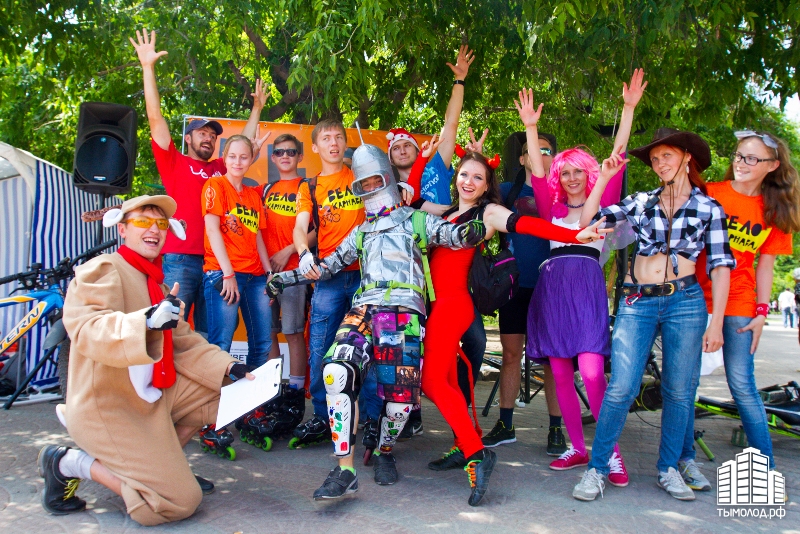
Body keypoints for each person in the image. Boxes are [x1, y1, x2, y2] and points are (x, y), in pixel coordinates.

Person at [267, 143, 486, 499]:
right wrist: (288, 278)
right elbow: (326, 267)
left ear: (388, 179)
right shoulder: (361, 232)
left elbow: (450, 234)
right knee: (335, 372)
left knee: (399, 403)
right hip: (365, 308)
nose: (370, 188)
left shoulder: (416, 219)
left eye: (375, 181)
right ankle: (344, 469)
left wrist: (469, 232)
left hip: (404, 313)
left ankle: (385, 451)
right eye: (363, 184)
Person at [40, 195, 254, 526]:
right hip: (110, 404)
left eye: (160, 223)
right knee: (178, 503)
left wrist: (231, 366)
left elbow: (183, 341)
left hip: (149, 395)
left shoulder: (157, 282)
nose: (153, 229)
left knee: (226, 391)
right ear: (122, 229)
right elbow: (88, 328)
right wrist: (145, 321)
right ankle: (68, 463)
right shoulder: (104, 269)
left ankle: (164, 470)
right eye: (143, 221)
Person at [411, 149, 611, 502]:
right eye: (464, 174)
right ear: (456, 178)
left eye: (478, 177)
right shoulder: (445, 211)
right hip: (435, 306)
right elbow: (409, 201)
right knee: (446, 380)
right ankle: (463, 443)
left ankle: (477, 453)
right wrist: (419, 162)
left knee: (431, 381)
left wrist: (573, 236)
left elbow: (528, 224)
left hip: (455, 306)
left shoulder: (487, 212)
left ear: (487, 184)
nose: (469, 181)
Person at [572, 128, 734, 502]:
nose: (660, 163)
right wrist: (604, 178)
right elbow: (587, 221)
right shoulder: (642, 201)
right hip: (639, 301)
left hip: (685, 301)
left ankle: (669, 468)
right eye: (655, 158)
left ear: (687, 157)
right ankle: (597, 469)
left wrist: (718, 323)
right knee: (622, 387)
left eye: (667, 155)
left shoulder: (709, 208)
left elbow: (721, 266)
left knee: (679, 390)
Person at [521, 72, 645, 481]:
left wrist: (628, 109)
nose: (571, 178)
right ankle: (576, 447)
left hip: (587, 288)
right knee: (560, 373)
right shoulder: (550, 208)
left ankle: (610, 454)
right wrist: (531, 127)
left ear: (588, 173)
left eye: (578, 171)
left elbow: (617, 156)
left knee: (592, 373)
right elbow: (537, 170)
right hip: (553, 289)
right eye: (565, 172)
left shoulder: (603, 200)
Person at [678, 130, 800, 490]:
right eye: (739, 155)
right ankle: (685, 461)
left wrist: (762, 312)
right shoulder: (710, 192)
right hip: (693, 295)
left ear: (772, 166)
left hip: (739, 300)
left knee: (742, 384)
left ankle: (766, 468)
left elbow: (765, 266)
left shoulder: (776, 210)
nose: (742, 163)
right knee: (685, 383)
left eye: (752, 158)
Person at [130, 29, 268, 335]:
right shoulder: (174, 162)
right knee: (170, 327)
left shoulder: (221, 168)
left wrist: (257, 108)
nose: (208, 138)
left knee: (208, 335)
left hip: (215, 263)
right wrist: (147, 68)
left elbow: (243, 144)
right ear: (188, 138)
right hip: (179, 258)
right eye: (201, 133)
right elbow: (155, 118)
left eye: (213, 135)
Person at [289, 119, 383, 449]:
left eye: (338, 137)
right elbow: (300, 227)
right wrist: (304, 253)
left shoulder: (361, 174)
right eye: (326, 138)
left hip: (366, 277)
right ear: (315, 147)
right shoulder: (309, 186)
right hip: (327, 278)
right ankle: (321, 416)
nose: (333, 142)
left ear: (345, 143)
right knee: (320, 348)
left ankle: (372, 419)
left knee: (368, 350)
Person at [202, 135, 273, 364]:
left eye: (243, 157)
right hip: (223, 273)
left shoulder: (253, 195)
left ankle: (252, 390)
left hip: (256, 277)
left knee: (262, 344)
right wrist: (228, 274)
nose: (237, 162)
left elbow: (257, 236)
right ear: (224, 158)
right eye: (232, 156)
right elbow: (212, 230)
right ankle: (216, 389)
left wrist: (269, 273)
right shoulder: (215, 185)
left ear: (251, 159)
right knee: (221, 345)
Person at [389, 45, 474, 205]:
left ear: (418, 150)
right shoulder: (392, 192)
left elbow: (451, 123)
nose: (402, 151)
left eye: (407, 145)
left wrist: (459, 80)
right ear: (391, 159)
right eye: (396, 148)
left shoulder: (436, 167)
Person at [263, 134, 314, 391]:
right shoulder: (265, 190)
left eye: (291, 152)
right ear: (273, 157)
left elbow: (319, 232)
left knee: (293, 332)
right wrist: (267, 267)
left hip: (295, 272)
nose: (285, 156)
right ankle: (272, 390)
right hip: (266, 272)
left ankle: (294, 392)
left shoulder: (308, 187)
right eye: (280, 152)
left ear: (300, 156)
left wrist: (288, 251)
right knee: (268, 332)